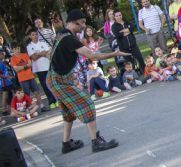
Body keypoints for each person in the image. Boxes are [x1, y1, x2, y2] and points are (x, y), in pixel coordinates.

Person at [47, 10, 129, 153]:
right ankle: (96, 142)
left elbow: (49, 54)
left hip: (57, 77)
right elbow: (92, 55)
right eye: (82, 22)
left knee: (68, 112)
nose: (84, 26)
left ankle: (66, 145)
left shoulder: (61, 34)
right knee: (87, 103)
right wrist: (114, 53)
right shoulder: (69, 38)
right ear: (73, 22)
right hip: (59, 80)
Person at [26, 28, 57, 108]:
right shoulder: (29, 46)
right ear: (30, 36)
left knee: (52, 84)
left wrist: (38, 53)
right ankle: (51, 101)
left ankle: (57, 100)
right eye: (33, 35)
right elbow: (34, 58)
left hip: (47, 66)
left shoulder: (43, 43)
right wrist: (42, 53)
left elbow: (48, 53)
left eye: (36, 34)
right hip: (39, 69)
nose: (35, 36)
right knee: (45, 85)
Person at [10, 43, 43, 110]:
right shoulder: (13, 59)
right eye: (15, 49)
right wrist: (25, 66)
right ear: (12, 50)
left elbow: (30, 64)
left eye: (18, 48)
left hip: (31, 77)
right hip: (22, 79)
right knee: (26, 94)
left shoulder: (25, 55)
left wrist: (21, 67)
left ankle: (41, 105)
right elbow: (16, 69)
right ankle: (28, 108)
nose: (17, 50)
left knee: (36, 91)